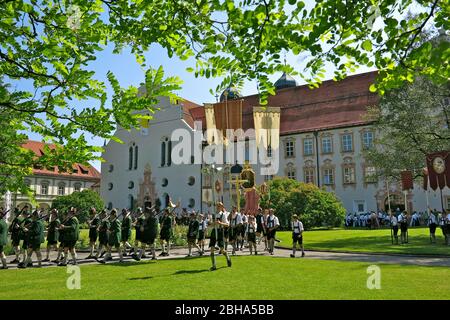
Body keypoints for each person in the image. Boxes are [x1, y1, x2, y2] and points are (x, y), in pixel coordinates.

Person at [209, 202, 232, 271]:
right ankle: (214, 265)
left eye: (220, 206)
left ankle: (227, 257)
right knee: (212, 249)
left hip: (219, 231)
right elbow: (210, 224)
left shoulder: (223, 215)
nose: (218, 207)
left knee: (222, 250)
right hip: (214, 231)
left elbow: (227, 225)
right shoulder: (213, 215)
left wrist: (220, 223)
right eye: (217, 205)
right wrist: (214, 223)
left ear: (222, 207)